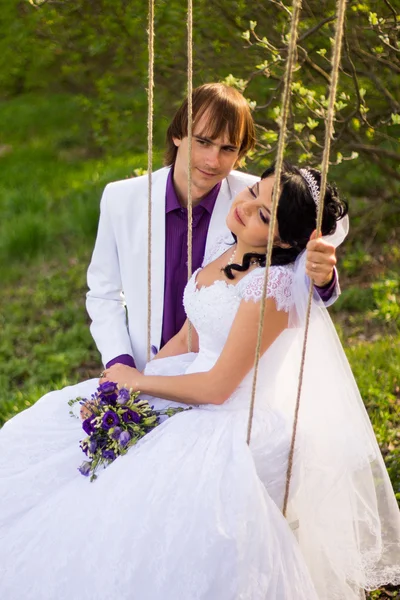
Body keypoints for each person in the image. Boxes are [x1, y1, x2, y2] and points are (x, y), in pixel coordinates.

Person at [0, 162, 399, 600]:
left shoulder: (270, 287)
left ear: (286, 242)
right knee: (61, 444)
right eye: (254, 194)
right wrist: (128, 387)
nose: (246, 207)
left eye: (265, 215)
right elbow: (191, 333)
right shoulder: (233, 250)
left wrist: (140, 383)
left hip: (228, 415)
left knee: (128, 498)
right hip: (188, 384)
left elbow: (217, 388)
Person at [86, 83, 340, 374]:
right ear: (178, 135)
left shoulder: (256, 201)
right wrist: (121, 363)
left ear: (240, 153)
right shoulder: (121, 199)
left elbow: (296, 284)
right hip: (145, 369)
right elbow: (103, 292)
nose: (212, 161)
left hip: (222, 376)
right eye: (203, 142)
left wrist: (324, 277)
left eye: (228, 148)